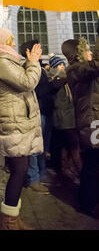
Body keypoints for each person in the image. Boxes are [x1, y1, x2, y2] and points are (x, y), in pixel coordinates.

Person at [0, 27, 42, 230]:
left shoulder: (7, 61)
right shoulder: (0, 62)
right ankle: (8, 221)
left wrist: (29, 62)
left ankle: (12, 218)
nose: (15, 44)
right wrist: (33, 62)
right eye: (11, 40)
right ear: (3, 42)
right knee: (19, 169)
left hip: (17, 119)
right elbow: (27, 82)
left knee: (19, 169)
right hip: (13, 120)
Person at [62, 37, 99, 217]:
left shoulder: (81, 70)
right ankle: (86, 204)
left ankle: (89, 201)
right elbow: (95, 65)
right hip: (92, 124)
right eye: (87, 49)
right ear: (78, 53)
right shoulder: (77, 69)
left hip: (94, 121)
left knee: (93, 163)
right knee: (93, 163)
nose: (90, 52)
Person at [20, 40, 56, 194]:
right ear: (30, 51)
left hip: (44, 111)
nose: (41, 51)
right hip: (35, 112)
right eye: (38, 48)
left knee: (41, 146)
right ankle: (33, 177)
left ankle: (41, 174)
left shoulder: (38, 67)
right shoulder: (28, 68)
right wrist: (53, 86)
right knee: (33, 148)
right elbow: (32, 90)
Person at [48, 54, 81, 185]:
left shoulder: (64, 79)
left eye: (63, 64)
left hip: (69, 118)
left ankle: (66, 169)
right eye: (60, 65)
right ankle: (78, 171)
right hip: (64, 119)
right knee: (73, 146)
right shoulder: (56, 79)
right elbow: (55, 87)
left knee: (66, 146)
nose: (63, 67)